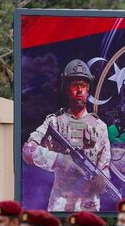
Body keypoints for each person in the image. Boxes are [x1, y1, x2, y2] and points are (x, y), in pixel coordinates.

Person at [22, 59, 112, 211]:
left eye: (83, 86)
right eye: (75, 85)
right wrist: (60, 160)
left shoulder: (100, 127)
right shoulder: (54, 122)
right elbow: (28, 151)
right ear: (66, 88)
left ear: (88, 90)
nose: (79, 90)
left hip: (89, 208)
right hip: (60, 206)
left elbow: (104, 166)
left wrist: (102, 180)